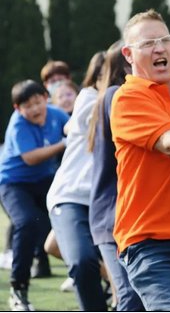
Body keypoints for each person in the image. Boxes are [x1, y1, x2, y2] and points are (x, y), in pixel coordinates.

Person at [111, 9, 170, 311]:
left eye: (165, 40)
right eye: (149, 43)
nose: (160, 48)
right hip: (149, 243)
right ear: (128, 53)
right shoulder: (128, 97)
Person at [45, 51, 108, 311]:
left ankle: (112, 286)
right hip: (73, 196)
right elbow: (75, 126)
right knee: (79, 260)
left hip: (108, 199)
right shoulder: (89, 98)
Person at [0, 80, 69, 311]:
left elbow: (76, 132)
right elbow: (31, 158)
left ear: (46, 98)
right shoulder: (18, 125)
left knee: (74, 215)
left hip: (45, 181)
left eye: (38, 101)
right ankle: (18, 290)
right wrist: (64, 143)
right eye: (28, 105)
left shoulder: (57, 114)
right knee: (27, 224)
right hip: (14, 184)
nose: (35, 108)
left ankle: (97, 278)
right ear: (17, 108)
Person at [87, 41, 143, 311]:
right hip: (112, 215)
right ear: (126, 60)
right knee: (130, 297)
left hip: (129, 217)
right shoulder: (115, 96)